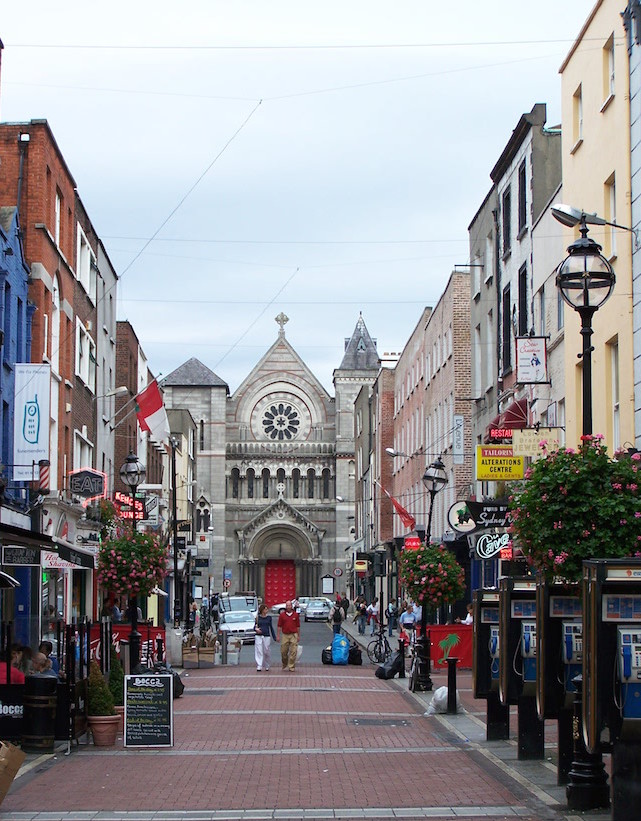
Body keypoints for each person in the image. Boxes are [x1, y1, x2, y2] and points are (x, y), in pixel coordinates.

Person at [276, 600, 300, 672]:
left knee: (293, 651)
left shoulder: (295, 615)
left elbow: (298, 626)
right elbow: (279, 626)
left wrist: (298, 636)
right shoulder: (282, 615)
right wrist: (278, 635)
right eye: (287, 606)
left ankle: (291, 666)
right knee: (283, 652)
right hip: (285, 635)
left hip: (293, 634)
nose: (288, 607)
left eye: (289, 605)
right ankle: (284, 663)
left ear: (291, 606)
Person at [254, 604, 276, 671]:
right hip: (258, 636)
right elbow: (254, 626)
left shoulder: (269, 618)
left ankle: (267, 664)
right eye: (265, 609)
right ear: (262, 610)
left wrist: (274, 636)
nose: (267, 610)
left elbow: (271, 627)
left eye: (267, 609)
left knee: (266, 650)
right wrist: (256, 629)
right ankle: (259, 665)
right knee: (259, 650)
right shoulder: (258, 618)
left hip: (266, 635)